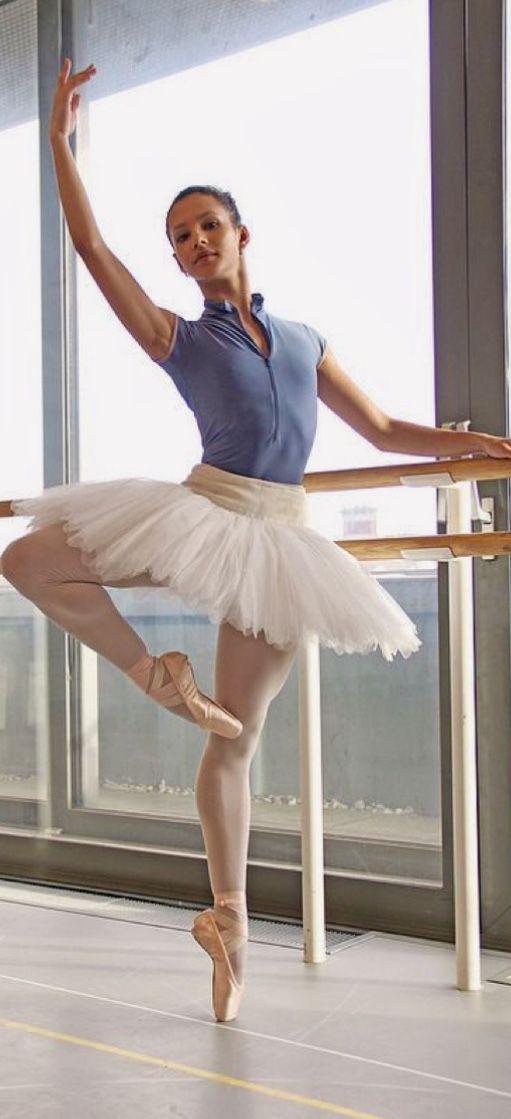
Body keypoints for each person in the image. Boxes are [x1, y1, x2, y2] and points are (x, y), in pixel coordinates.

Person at [2, 59, 511, 1024]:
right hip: (203, 511)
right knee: (26, 556)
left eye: (206, 227)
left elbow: (383, 430)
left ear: (241, 235)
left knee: (234, 738)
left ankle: (227, 921)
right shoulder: (178, 339)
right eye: (180, 239)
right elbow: (89, 243)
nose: (193, 244)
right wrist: (60, 146)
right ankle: (155, 673)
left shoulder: (307, 339)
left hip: (280, 543)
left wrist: (464, 445)